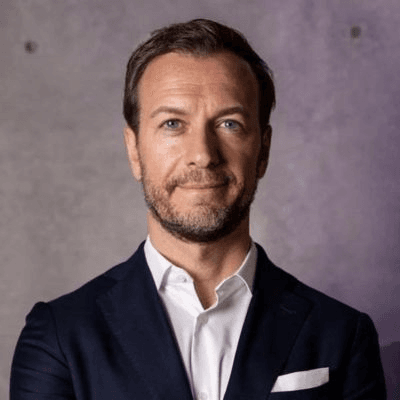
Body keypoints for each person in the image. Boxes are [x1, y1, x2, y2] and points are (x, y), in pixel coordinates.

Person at [10, 19, 386, 400]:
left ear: (263, 150)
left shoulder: (343, 336)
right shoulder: (58, 338)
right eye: (173, 124)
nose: (203, 154)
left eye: (229, 123)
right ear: (134, 150)